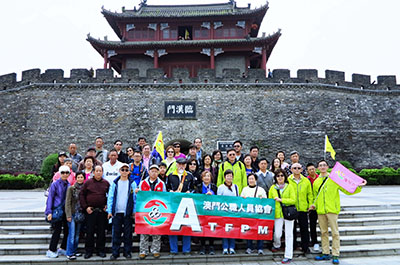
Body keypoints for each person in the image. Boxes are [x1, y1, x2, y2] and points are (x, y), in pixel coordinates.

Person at [313, 160, 367, 264]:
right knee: (323, 232)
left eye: (324, 165)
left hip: (332, 209)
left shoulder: (334, 179)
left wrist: (359, 186)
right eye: (320, 165)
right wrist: (314, 205)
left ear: (328, 167)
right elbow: (315, 197)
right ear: (318, 168)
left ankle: (335, 254)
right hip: (320, 210)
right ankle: (325, 252)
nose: (322, 167)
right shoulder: (316, 182)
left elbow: (347, 190)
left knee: (335, 233)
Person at [107, 163, 137, 260]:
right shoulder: (115, 183)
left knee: (128, 234)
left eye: (126, 170)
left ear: (129, 172)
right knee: (116, 233)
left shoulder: (132, 183)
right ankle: (115, 252)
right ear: (119, 171)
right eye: (122, 170)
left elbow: (135, 199)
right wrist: (109, 211)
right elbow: (110, 197)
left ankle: (127, 252)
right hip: (117, 212)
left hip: (127, 212)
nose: (124, 172)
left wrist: (134, 211)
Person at [79, 165, 110, 259]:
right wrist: (85, 207)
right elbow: (81, 195)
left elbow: (110, 196)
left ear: (102, 172)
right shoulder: (88, 183)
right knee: (89, 232)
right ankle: (89, 251)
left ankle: (100, 250)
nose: (98, 172)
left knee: (101, 232)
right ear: (93, 172)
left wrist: (107, 206)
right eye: (96, 171)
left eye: (100, 171)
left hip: (101, 212)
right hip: (90, 211)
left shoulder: (106, 183)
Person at [166, 157, 195, 255]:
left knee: (186, 226)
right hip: (174, 204)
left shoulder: (189, 176)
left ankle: (186, 249)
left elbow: (194, 188)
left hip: (186, 204)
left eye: (183, 164)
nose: (181, 166)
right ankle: (173, 249)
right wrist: (170, 191)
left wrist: (189, 192)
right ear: (176, 164)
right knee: (173, 226)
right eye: (179, 164)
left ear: (186, 165)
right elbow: (166, 188)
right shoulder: (170, 175)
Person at [137, 164, 167, 259]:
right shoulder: (142, 183)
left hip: (158, 209)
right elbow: (138, 198)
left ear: (158, 172)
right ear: (149, 172)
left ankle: (155, 250)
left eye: (156, 171)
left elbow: (165, 197)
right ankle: (143, 250)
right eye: (152, 171)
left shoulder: (161, 184)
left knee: (156, 230)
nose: (154, 173)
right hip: (145, 210)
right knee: (144, 230)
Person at [269, 168, 296, 264]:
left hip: (288, 212)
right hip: (277, 213)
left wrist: (282, 200)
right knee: (277, 233)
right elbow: (270, 201)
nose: (280, 177)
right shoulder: (273, 188)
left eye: (282, 175)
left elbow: (293, 200)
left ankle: (288, 255)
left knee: (289, 234)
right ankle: (277, 245)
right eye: (278, 176)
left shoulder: (290, 187)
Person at [45, 165, 70, 258]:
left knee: (67, 230)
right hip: (56, 209)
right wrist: (49, 212)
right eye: (63, 172)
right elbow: (50, 198)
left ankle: (63, 248)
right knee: (57, 230)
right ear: (59, 173)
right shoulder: (55, 184)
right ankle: (51, 249)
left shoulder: (69, 185)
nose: (64, 174)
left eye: (67, 172)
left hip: (65, 210)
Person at [288, 163, 313, 254]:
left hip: (303, 208)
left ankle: (305, 247)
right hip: (292, 208)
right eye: (294, 168)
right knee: (292, 229)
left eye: (299, 168)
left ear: (302, 170)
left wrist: (310, 204)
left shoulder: (306, 181)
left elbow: (310, 194)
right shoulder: (288, 180)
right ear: (291, 169)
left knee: (304, 229)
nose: (297, 170)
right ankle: (293, 246)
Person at [241, 173, 267, 255]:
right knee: (249, 231)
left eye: (252, 179)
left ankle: (260, 247)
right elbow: (241, 201)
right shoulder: (244, 189)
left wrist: (262, 199)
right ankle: (249, 247)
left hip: (259, 214)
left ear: (256, 180)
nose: (251, 180)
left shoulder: (261, 190)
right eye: (249, 179)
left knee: (259, 230)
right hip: (248, 214)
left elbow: (266, 201)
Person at [194, 171, 217, 255]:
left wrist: (212, 196)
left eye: (208, 176)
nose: (207, 178)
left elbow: (219, 199)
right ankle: (202, 246)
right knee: (202, 228)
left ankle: (211, 246)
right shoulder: (199, 187)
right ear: (202, 178)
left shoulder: (214, 187)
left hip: (212, 211)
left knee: (211, 228)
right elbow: (196, 198)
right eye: (205, 176)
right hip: (202, 211)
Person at [217, 169, 238, 255]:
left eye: (231, 176)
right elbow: (218, 199)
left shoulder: (235, 187)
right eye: (227, 176)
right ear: (224, 177)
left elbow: (237, 198)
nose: (229, 178)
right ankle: (225, 247)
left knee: (232, 229)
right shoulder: (221, 187)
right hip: (224, 211)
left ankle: (232, 247)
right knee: (224, 230)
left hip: (233, 212)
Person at [65, 171, 85, 260]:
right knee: (72, 234)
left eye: (82, 177)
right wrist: (68, 215)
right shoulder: (71, 188)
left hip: (80, 214)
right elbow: (67, 202)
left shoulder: (85, 189)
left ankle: (74, 251)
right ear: (76, 178)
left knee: (77, 235)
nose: (80, 179)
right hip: (72, 213)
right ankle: (69, 252)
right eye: (78, 177)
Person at [306, 163, 320, 251]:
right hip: (311, 206)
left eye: (313, 169)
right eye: (310, 169)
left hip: (321, 205)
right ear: (307, 171)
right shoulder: (306, 180)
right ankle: (314, 241)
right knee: (312, 224)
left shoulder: (320, 178)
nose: (312, 171)